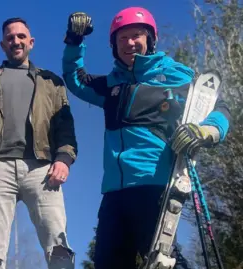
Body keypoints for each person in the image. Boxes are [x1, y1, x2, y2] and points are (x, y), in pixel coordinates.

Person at [61, 7, 231, 269]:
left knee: (163, 262)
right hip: (114, 194)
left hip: (155, 187)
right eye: (122, 38)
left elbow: (219, 107)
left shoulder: (177, 75)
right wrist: (74, 40)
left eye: (137, 35)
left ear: (151, 39)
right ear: (114, 45)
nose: (129, 43)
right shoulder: (111, 86)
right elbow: (76, 80)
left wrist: (209, 130)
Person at [0, 17, 78, 269]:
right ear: (3, 44)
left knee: (58, 244)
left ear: (31, 42)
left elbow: (65, 124)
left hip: (42, 168)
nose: (16, 41)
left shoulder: (52, 82)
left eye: (21, 37)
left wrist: (64, 160)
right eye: (10, 37)